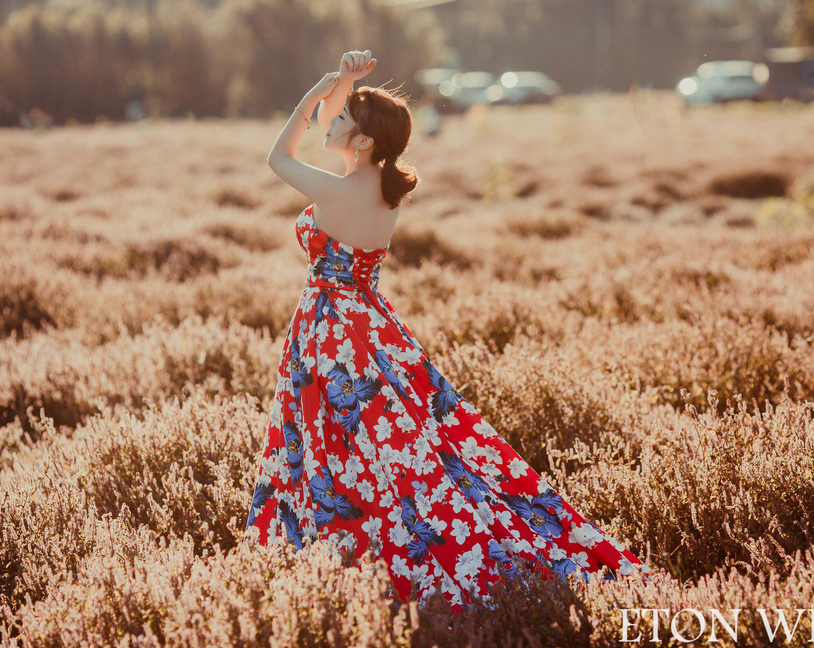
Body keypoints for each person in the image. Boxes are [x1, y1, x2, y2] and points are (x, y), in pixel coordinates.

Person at [247, 49, 651, 612]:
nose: (329, 120)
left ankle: (336, 553)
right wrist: (344, 85)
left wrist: (316, 91)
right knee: (404, 441)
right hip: (370, 325)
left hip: (331, 331)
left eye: (343, 119)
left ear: (363, 142)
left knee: (331, 442)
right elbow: (328, 130)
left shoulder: (341, 191)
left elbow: (279, 155)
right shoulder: (378, 189)